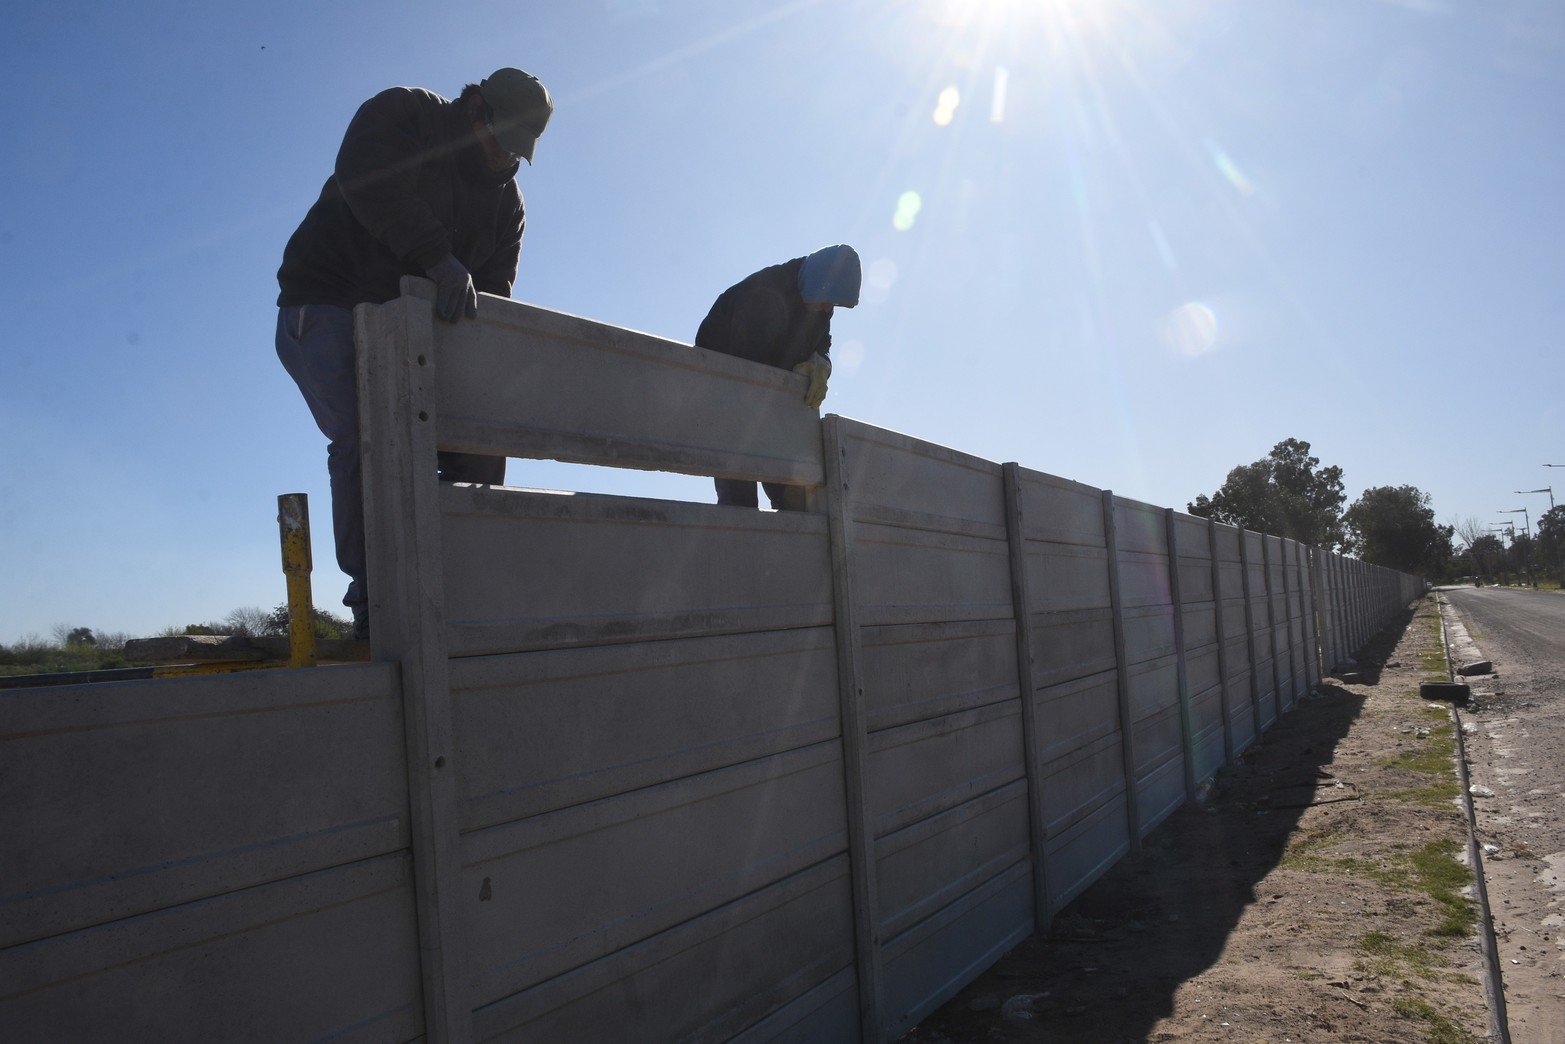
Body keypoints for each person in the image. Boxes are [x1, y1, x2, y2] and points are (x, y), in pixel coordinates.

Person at [275, 68, 552, 639]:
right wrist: (438, 257)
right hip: (326, 305)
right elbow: (368, 178)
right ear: (475, 106)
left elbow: (495, 294)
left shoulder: (508, 205)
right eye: (499, 141)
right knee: (367, 436)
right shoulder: (405, 115)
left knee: (475, 436)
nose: (505, 159)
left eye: (518, 154)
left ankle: (460, 592)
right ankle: (376, 602)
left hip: (414, 333)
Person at [695, 245, 861, 511]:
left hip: (774, 401)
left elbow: (822, 343)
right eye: (827, 300)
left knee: (797, 499)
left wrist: (822, 363)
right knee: (739, 497)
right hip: (727, 391)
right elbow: (747, 358)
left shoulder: (820, 303)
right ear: (815, 282)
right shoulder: (763, 295)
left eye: (833, 304)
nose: (828, 308)